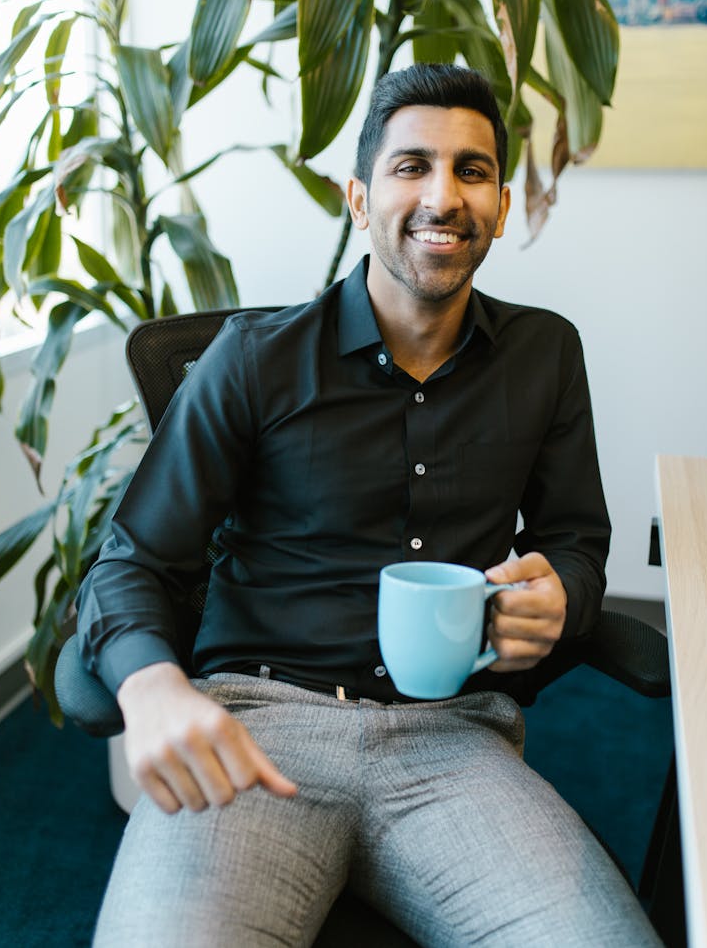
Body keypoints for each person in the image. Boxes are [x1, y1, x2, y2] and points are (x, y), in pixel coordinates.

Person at [78, 64, 661, 947]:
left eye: (471, 172)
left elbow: (574, 541)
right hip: (258, 727)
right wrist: (155, 687)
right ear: (359, 197)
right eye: (410, 166)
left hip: (453, 738)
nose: (443, 195)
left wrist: (565, 598)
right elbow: (132, 560)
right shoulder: (252, 360)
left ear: (501, 205)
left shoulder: (545, 354)